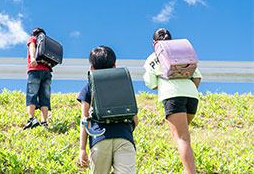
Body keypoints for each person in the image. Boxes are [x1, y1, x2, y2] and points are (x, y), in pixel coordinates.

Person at [144, 28, 202, 174]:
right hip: (192, 95)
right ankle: (187, 168)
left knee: (181, 138)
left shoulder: (152, 58)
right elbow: (197, 77)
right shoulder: (182, 53)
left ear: (154, 43)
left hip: (172, 96)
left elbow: (151, 84)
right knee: (184, 136)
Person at [78, 46, 138, 174]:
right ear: (114, 66)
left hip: (99, 139)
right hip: (124, 138)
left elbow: (84, 120)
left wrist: (82, 148)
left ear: (92, 69)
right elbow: (135, 119)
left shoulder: (88, 87)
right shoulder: (124, 84)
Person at [24, 27, 53, 129]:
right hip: (47, 71)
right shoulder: (47, 44)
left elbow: (32, 46)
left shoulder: (33, 39)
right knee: (45, 96)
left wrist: (32, 58)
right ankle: (44, 122)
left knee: (32, 93)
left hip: (35, 69)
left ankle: (32, 119)